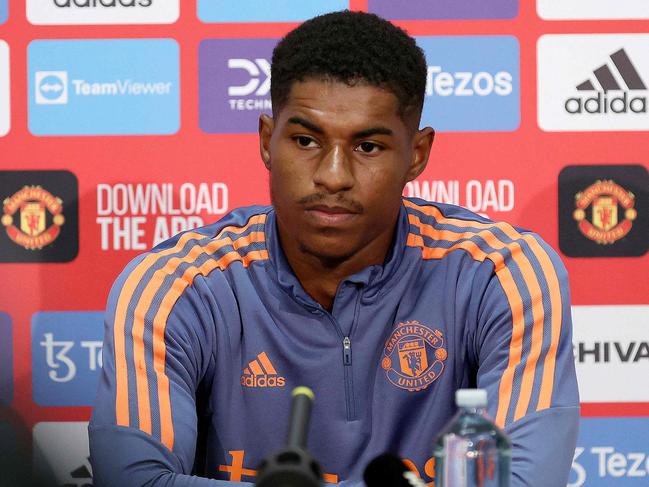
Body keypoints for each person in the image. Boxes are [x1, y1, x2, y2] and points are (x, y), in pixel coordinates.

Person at [89, 10, 579, 487]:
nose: (333, 176)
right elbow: (133, 480)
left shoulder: (500, 272)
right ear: (266, 140)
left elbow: (521, 480)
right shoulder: (174, 286)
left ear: (417, 155)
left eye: (367, 147)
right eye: (305, 141)